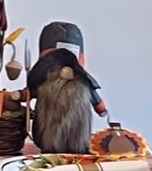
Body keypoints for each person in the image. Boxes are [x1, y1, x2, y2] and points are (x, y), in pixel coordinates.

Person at [26, 22, 109, 153]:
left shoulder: (83, 81)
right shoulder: (44, 81)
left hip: (79, 136)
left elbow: (97, 100)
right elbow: (29, 94)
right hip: (46, 136)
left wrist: (100, 107)